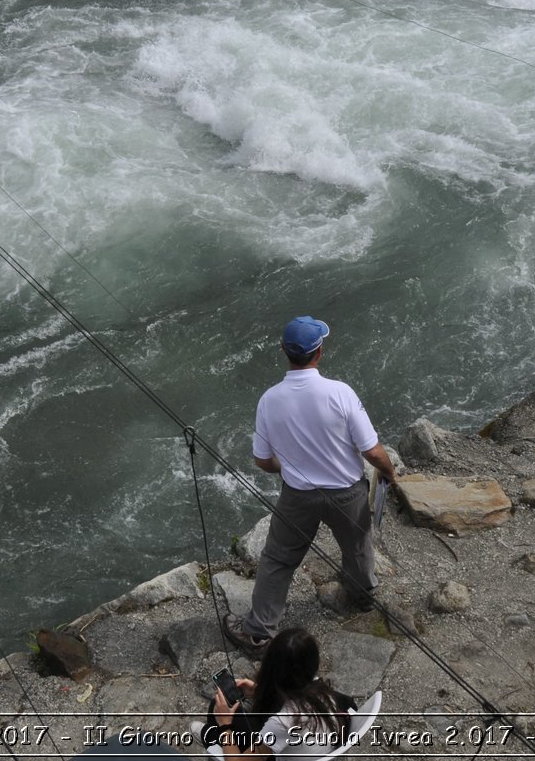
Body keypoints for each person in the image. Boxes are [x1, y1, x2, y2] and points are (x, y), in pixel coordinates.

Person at [223, 317, 398, 657]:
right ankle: (361, 598)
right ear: (319, 352)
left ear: (283, 351)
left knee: (278, 559)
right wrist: (389, 472)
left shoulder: (269, 400)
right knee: (358, 548)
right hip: (348, 493)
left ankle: (258, 634)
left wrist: (285, 467)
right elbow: (371, 450)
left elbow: (262, 460)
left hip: (298, 497)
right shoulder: (340, 393)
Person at [205, 628, 357, 756]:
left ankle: (211, 737)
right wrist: (259, 690)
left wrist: (225, 726)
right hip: (312, 749)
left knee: (216, 710)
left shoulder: (283, 723)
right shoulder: (323, 691)